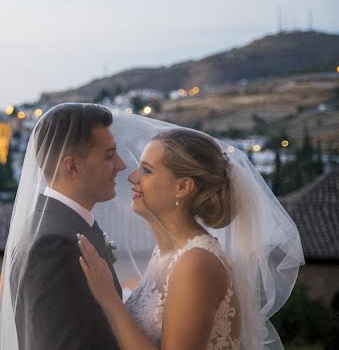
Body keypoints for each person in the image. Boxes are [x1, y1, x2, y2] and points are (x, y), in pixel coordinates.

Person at [76, 120, 303, 350]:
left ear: (182, 187)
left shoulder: (195, 263)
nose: (132, 177)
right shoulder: (168, 255)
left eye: (146, 170)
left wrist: (110, 300)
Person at [0, 103, 127, 350]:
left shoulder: (65, 226)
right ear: (72, 167)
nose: (120, 165)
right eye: (109, 155)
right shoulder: (52, 244)